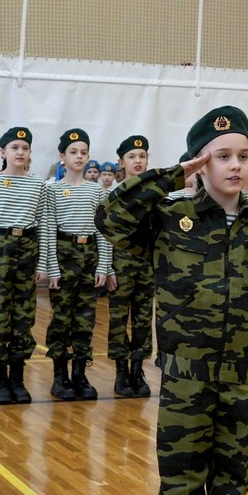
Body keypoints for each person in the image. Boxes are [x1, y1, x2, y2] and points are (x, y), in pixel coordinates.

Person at [97, 106, 248, 495]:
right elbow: (109, 218)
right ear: (199, 163)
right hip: (186, 380)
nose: (235, 165)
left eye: (242, 155)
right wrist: (171, 176)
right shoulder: (170, 217)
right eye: (221, 156)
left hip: (243, 380)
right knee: (181, 484)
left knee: (230, 488)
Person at [42, 128, 112, 401]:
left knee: (85, 319)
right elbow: (48, 229)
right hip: (64, 254)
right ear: (62, 156)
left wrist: (103, 266)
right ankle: (60, 375)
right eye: (73, 152)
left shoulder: (96, 190)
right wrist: (52, 267)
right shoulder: (52, 189)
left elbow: (103, 230)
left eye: (83, 152)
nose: (79, 156)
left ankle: (80, 373)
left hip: (89, 255)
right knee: (62, 318)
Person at [0, 127, 47, 404]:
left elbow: (42, 225)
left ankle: (17, 377)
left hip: (27, 249)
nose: (20, 152)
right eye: (14, 148)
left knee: (23, 317)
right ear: (3, 152)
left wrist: (42, 263)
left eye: (25, 148)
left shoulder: (38, 185)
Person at [107, 134, 155, 397]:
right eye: (132, 156)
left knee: (143, 318)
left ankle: (137, 370)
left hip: (146, 265)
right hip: (120, 264)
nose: (138, 161)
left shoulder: (154, 195)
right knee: (118, 318)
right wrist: (108, 268)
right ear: (121, 162)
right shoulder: (112, 194)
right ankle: (120, 372)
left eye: (142, 156)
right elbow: (104, 235)